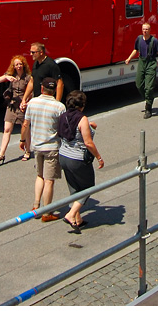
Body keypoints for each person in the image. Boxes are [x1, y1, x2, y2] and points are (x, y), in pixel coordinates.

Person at [57, 91, 104, 231]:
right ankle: (71, 214)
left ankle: (78, 219)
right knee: (89, 186)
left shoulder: (63, 116)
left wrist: (90, 126)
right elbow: (88, 143)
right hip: (77, 158)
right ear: (82, 105)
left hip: (63, 156)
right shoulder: (82, 118)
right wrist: (99, 157)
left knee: (74, 188)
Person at [21, 76, 66, 222]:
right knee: (49, 180)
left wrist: (23, 140)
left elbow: (26, 124)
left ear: (41, 88)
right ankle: (47, 212)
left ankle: (36, 206)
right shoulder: (59, 107)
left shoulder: (32, 102)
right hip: (52, 147)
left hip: (37, 146)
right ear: (54, 91)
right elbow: (63, 128)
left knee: (39, 176)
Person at [0, 55, 31, 165]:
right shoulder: (11, 75)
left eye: (20, 64)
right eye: (16, 65)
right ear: (13, 66)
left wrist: (26, 102)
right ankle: (1, 155)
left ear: (23, 64)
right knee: (7, 130)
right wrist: (6, 78)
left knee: (25, 129)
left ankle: (27, 151)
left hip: (23, 106)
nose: (18, 66)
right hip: (12, 106)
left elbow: (31, 93)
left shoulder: (28, 78)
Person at [124, 23, 158, 119]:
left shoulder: (154, 41)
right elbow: (135, 50)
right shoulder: (139, 39)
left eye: (147, 29)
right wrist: (129, 59)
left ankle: (148, 107)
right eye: (143, 29)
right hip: (142, 62)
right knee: (139, 84)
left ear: (150, 30)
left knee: (149, 88)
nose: (145, 31)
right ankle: (148, 98)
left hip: (151, 63)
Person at [23, 42, 63, 108]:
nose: (30, 54)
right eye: (30, 52)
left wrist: (57, 102)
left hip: (47, 102)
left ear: (41, 52)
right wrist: (24, 99)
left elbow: (59, 83)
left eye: (33, 52)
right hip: (37, 100)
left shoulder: (51, 65)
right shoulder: (35, 64)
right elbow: (32, 81)